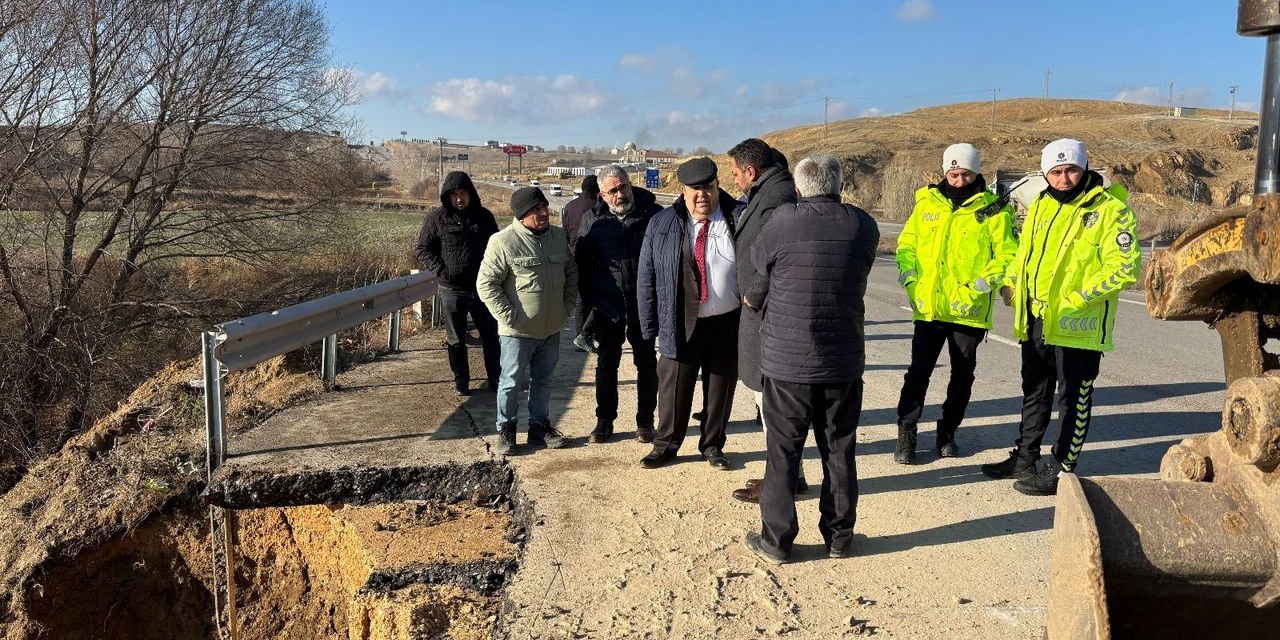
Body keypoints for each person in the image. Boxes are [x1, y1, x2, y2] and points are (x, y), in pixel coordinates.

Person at [980, 138, 1140, 495]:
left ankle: (1062, 467)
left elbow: (1124, 267)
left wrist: (1075, 300)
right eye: (1056, 171)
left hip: (1077, 324)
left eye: (1071, 170)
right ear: (1046, 173)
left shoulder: (1110, 209)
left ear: (1085, 168)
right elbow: (1025, 254)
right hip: (1036, 318)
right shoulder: (1041, 204)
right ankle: (1025, 457)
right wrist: (1011, 285)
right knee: (1034, 392)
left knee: (1074, 398)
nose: (1064, 178)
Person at [742, 155, 879, 564]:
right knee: (838, 450)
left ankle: (777, 541)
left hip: (787, 363)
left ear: (799, 189)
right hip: (842, 361)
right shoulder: (862, 224)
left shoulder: (785, 220)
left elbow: (758, 262)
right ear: (839, 186)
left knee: (782, 452)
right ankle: (839, 537)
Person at [893, 144, 1017, 464]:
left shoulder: (993, 210)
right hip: (930, 307)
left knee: (963, 376)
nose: (959, 180)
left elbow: (1007, 257)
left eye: (965, 174)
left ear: (977, 173)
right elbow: (907, 246)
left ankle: (947, 432)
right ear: (945, 172)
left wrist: (978, 287)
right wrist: (911, 282)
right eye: (953, 173)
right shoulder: (926, 205)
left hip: (968, 310)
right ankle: (906, 432)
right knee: (918, 373)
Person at [636, 157, 742, 470]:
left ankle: (712, 445)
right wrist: (648, 327)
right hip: (678, 320)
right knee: (672, 389)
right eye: (695, 189)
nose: (702, 195)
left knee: (720, 389)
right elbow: (647, 276)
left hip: (727, 322)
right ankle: (665, 445)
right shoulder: (662, 223)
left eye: (708, 187)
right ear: (682, 191)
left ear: (717, 186)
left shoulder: (739, 217)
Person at [722, 139, 805, 504]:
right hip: (762, 314)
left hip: (768, 315)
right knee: (767, 403)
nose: (734, 179)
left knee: (772, 405)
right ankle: (789, 475)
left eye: (736, 173)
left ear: (751, 171)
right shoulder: (771, 190)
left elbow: (781, 252)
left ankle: (781, 482)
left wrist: (755, 292)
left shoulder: (776, 198)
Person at [476, 187, 579, 455]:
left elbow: (571, 272)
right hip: (517, 333)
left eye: (544, 206)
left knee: (543, 381)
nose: (543, 213)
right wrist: (510, 317)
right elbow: (486, 285)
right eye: (536, 210)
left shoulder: (558, 236)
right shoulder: (503, 242)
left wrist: (566, 307)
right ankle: (506, 430)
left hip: (552, 328)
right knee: (510, 382)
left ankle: (539, 428)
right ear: (522, 215)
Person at [575, 166, 663, 443]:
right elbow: (581, 268)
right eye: (612, 191)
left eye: (623, 186)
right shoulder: (592, 220)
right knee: (606, 364)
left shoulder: (653, 214)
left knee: (646, 363)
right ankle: (604, 421)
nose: (620, 194)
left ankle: (645, 421)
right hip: (607, 305)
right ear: (602, 193)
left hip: (644, 304)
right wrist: (583, 317)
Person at [415, 171, 501, 397]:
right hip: (452, 290)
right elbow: (423, 249)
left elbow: (498, 248)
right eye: (454, 195)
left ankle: (496, 378)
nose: (459, 199)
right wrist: (442, 270)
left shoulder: (485, 217)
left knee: (491, 336)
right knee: (456, 339)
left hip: (483, 288)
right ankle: (461, 381)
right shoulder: (436, 218)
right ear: (447, 196)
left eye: (463, 194)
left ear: (471, 194)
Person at [563, 175, 601, 353]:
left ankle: (579, 335)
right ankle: (589, 334)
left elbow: (565, 233)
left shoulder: (570, 206)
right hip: (597, 258)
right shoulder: (598, 206)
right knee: (599, 298)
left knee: (580, 299)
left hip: (574, 256)